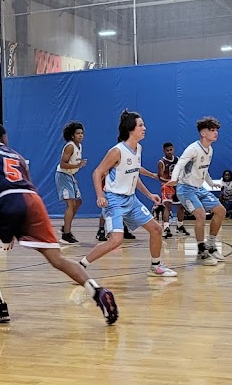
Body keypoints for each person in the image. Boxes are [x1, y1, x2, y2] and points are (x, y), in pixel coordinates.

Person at [0, 122, 118, 325]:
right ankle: (97, 291)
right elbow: (25, 183)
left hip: (9, 199)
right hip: (33, 201)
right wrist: (11, 230)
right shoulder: (17, 156)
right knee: (57, 258)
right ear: (4, 138)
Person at [80, 111, 175, 277]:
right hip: (114, 200)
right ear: (131, 129)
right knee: (116, 240)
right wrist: (100, 196)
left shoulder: (138, 148)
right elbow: (97, 173)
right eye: (141, 125)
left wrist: (149, 194)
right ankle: (81, 266)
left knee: (156, 229)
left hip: (131, 200)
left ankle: (156, 267)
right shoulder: (117, 151)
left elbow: (134, 173)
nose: (144, 128)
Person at [172, 116, 227, 266]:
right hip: (185, 189)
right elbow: (179, 164)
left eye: (216, 130)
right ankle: (201, 252)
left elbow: (204, 169)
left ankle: (211, 245)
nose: (216, 133)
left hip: (199, 188)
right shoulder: (193, 149)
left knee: (221, 211)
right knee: (201, 215)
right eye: (212, 130)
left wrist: (211, 183)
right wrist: (174, 179)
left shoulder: (210, 149)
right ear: (203, 133)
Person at [54, 121, 86, 244]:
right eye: (78, 133)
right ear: (72, 135)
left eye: (82, 133)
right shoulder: (70, 146)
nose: (81, 135)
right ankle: (66, 234)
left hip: (70, 176)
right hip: (63, 175)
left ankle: (65, 226)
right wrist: (78, 165)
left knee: (78, 202)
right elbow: (62, 164)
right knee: (71, 204)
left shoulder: (79, 146)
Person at [155, 141, 179, 236]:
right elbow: (160, 177)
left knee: (181, 206)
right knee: (168, 206)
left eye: (171, 150)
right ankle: (166, 228)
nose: (169, 152)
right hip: (167, 185)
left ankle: (180, 226)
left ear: (173, 149)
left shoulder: (178, 160)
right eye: (167, 150)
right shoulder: (161, 162)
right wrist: (170, 181)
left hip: (177, 185)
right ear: (164, 151)